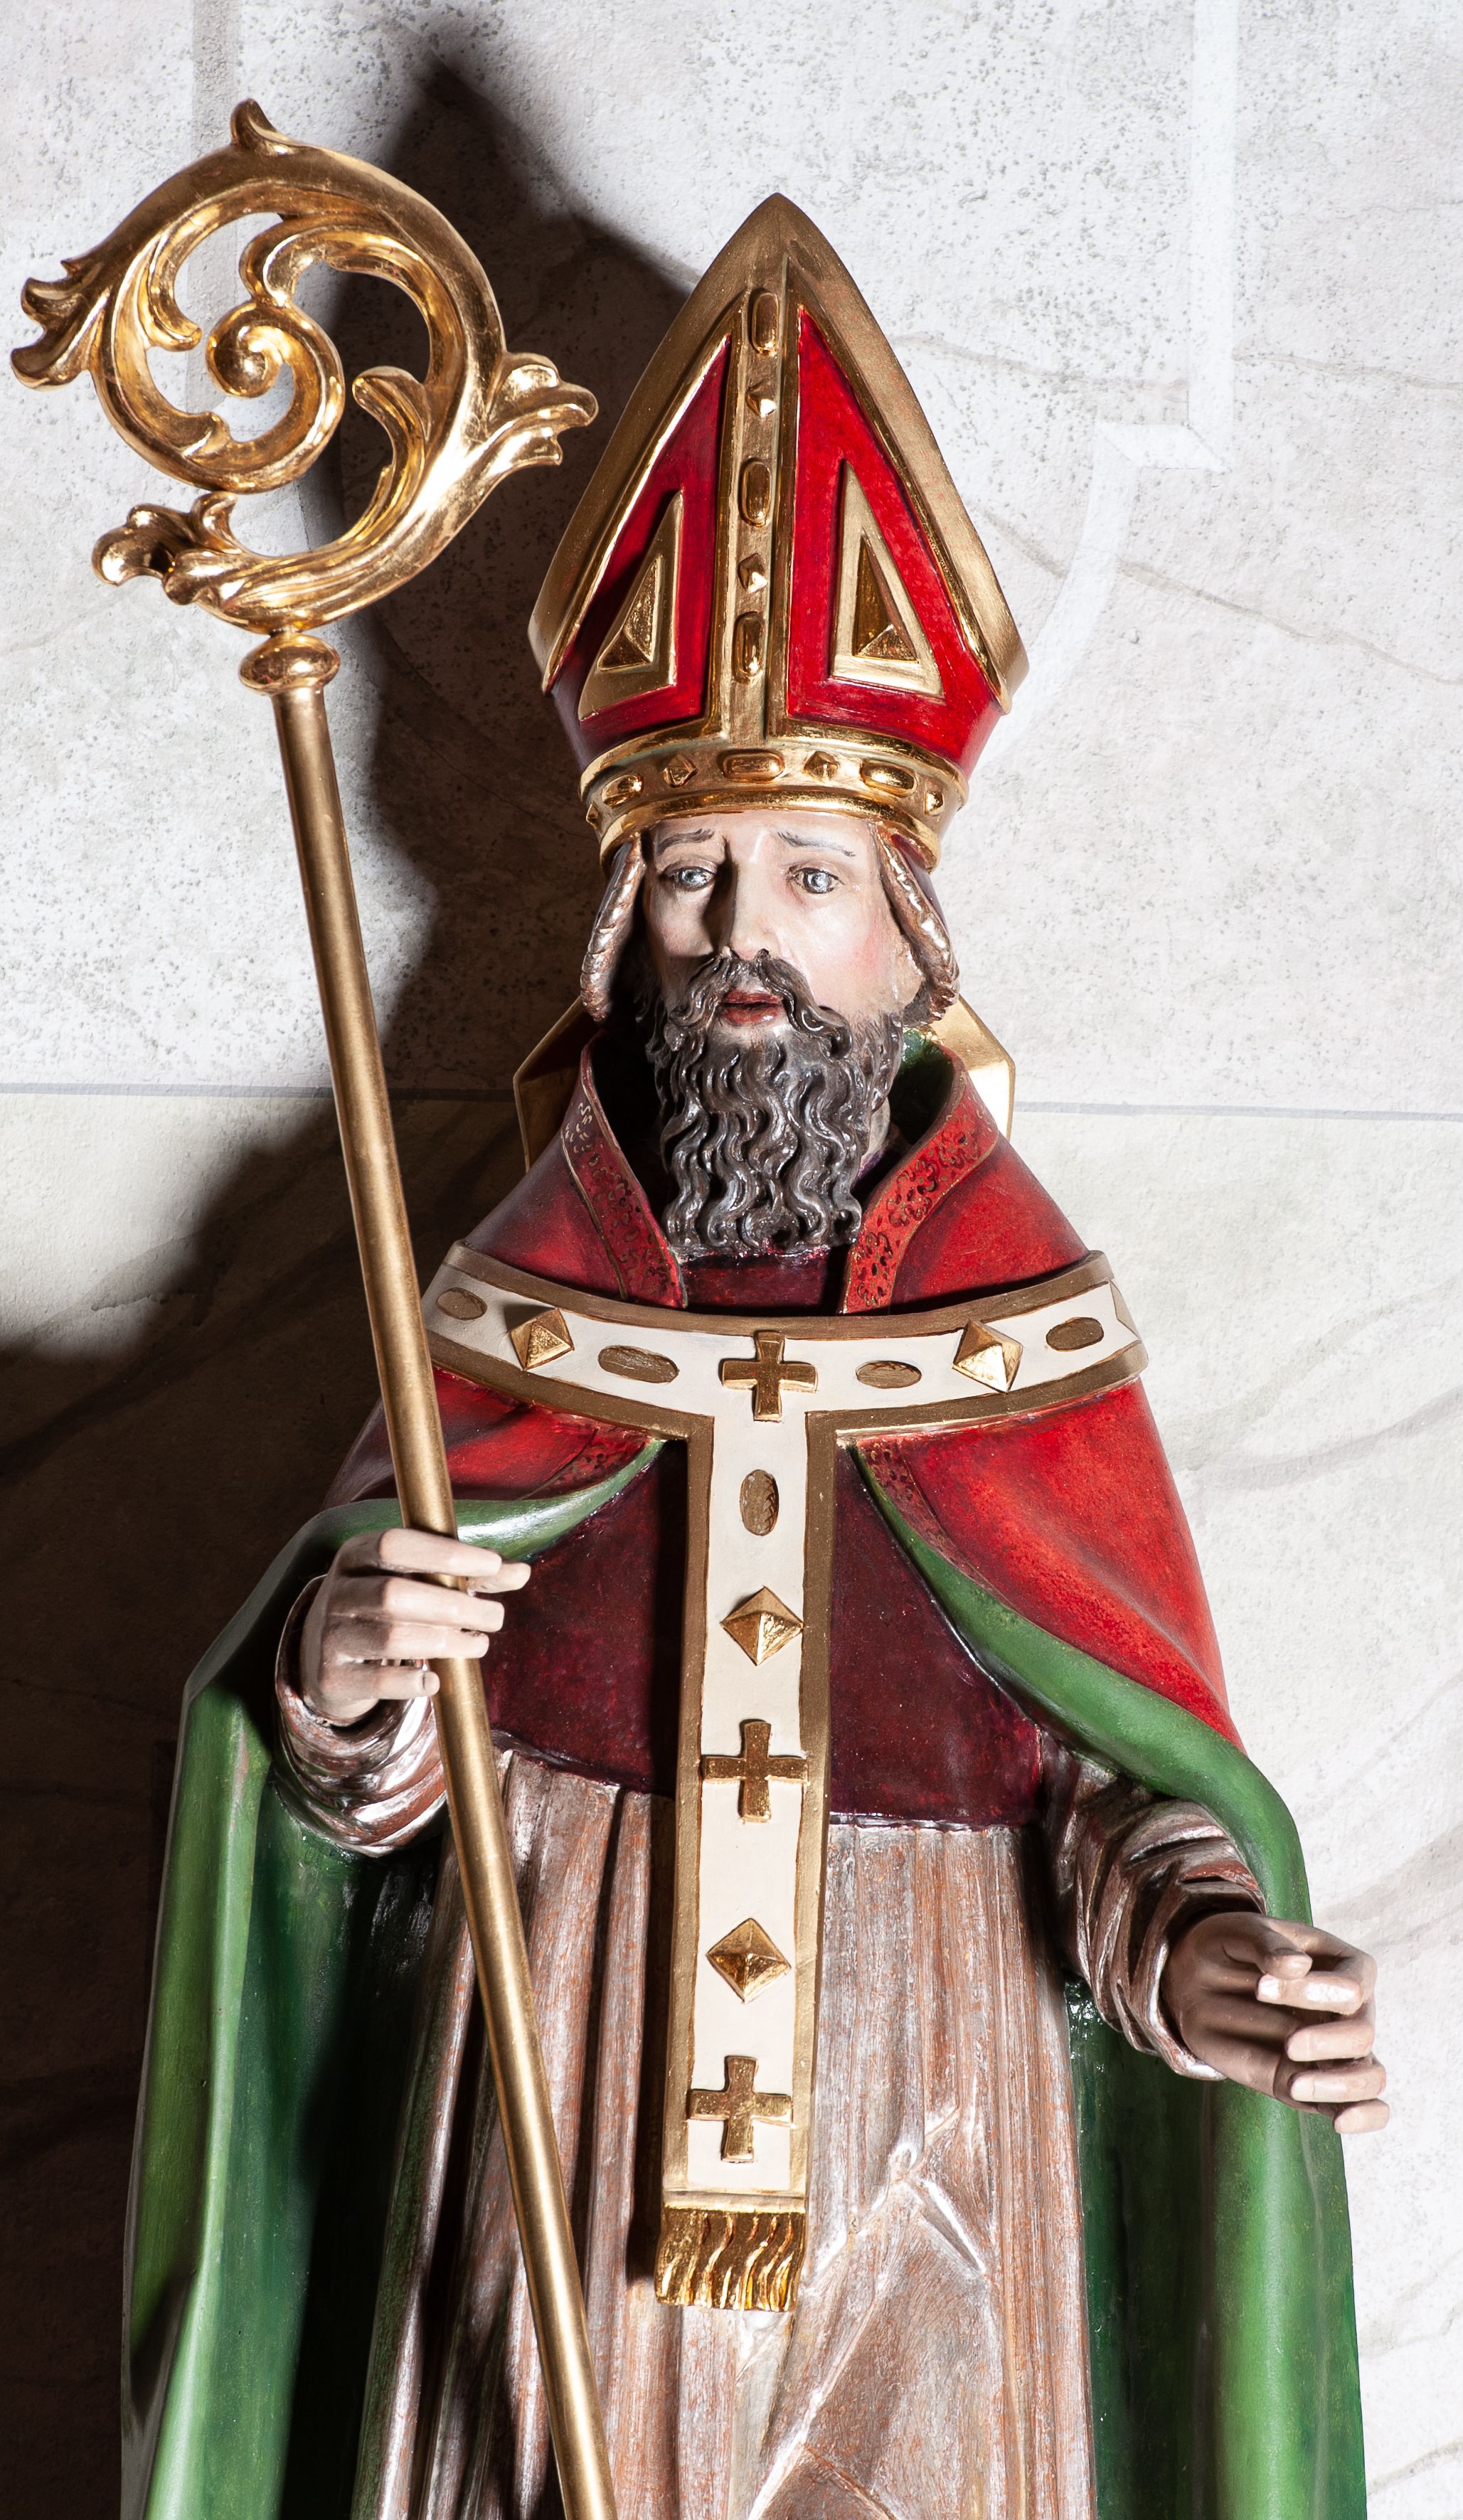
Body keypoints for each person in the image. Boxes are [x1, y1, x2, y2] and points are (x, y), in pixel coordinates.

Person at [124, 199, 1383, 2520]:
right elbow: (352, 1815)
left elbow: (1108, 1784)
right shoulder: (512, 1306)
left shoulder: (1019, 1330)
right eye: (697, 878)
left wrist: (1202, 1955)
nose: (747, 942)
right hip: (552, 2047)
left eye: (809, 877)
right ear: (623, 933)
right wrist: (347, 1678)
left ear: (907, 942)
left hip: (944, 2108)